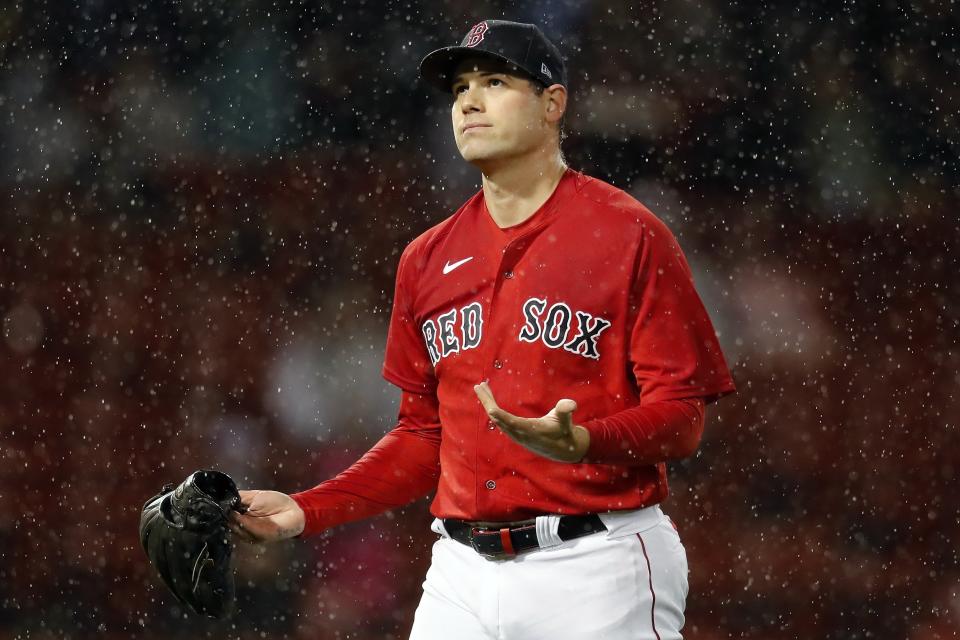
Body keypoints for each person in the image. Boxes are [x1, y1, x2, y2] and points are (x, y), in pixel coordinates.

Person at [229, 19, 736, 640]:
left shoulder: (630, 234)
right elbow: (422, 438)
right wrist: (306, 510)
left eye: (495, 81)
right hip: (459, 574)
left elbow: (683, 417)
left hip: (596, 564)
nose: (468, 100)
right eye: (460, 87)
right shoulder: (425, 259)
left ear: (554, 104)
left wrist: (588, 441)